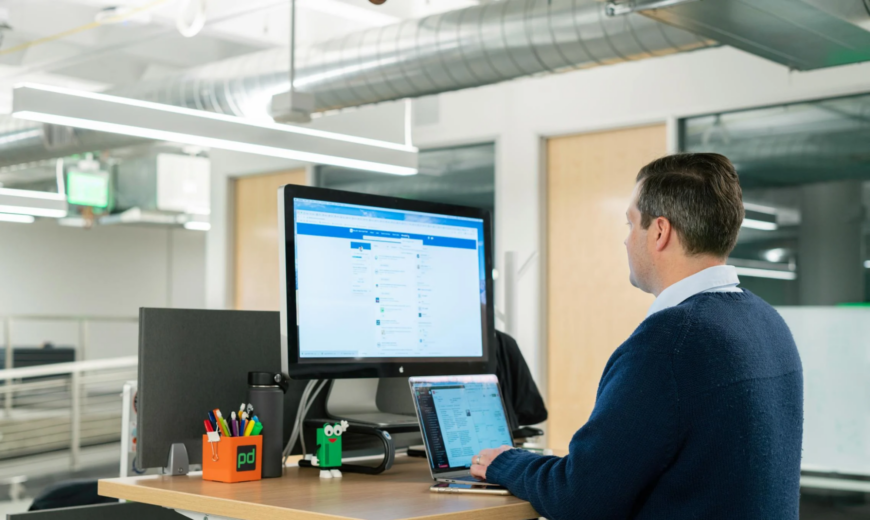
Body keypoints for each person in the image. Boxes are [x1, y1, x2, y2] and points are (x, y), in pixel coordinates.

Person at [470, 153, 803, 519]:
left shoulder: (670, 342)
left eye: (631, 224)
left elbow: (578, 498)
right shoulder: (768, 321)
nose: (626, 241)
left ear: (659, 232)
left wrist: (505, 462)